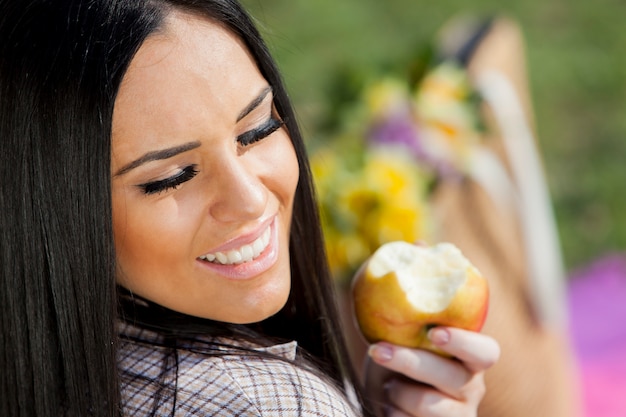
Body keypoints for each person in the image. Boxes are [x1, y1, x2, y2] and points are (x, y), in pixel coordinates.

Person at [0, 0, 500, 416]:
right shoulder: (264, 403)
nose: (250, 200)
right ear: (54, 209)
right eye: (170, 178)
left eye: (257, 129)